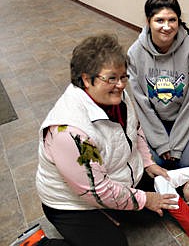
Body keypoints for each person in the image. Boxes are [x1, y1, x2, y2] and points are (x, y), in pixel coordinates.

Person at [34, 34, 177, 246]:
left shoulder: (116, 95)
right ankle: (38, 243)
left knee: (161, 209)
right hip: (73, 203)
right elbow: (96, 190)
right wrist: (145, 199)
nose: (120, 85)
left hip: (112, 179)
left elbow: (135, 129)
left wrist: (148, 163)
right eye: (111, 78)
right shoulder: (69, 133)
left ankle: (110, 211)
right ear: (85, 79)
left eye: (123, 77)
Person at [128, 0, 189, 169]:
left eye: (172, 20)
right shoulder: (134, 54)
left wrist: (177, 145)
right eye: (159, 20)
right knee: (158, 163)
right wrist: (161, 143)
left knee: (187, 163)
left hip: (188, 113)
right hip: (156, 115)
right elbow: (142, 104)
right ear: (148, 21)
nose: (167, 26)